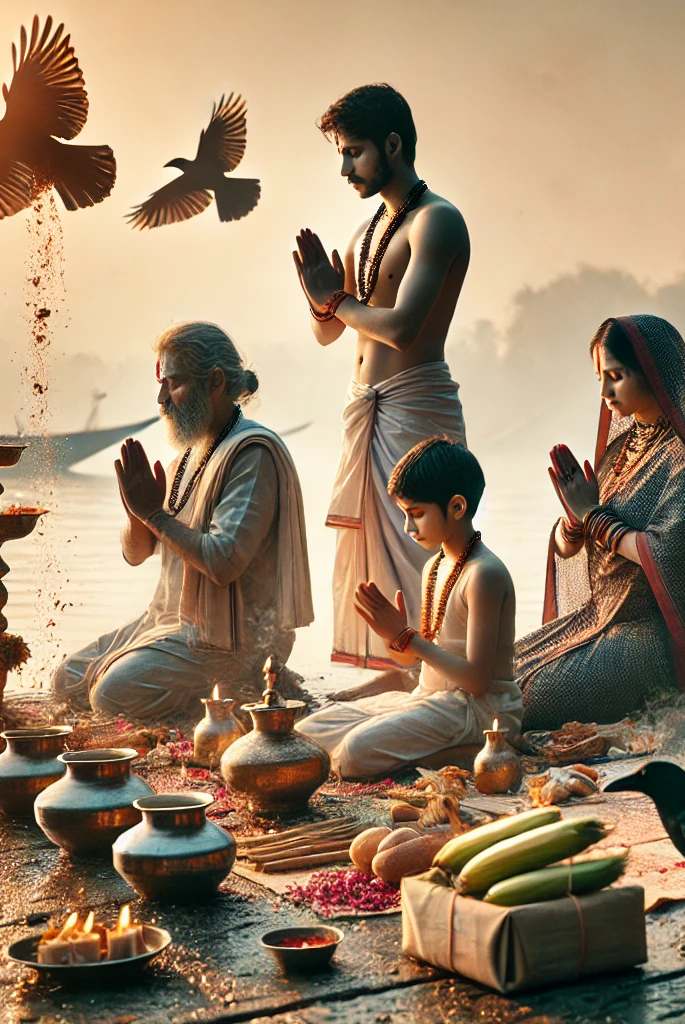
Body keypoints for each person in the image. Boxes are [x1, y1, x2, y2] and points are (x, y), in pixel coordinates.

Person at [291, 83, 470, 674]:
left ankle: (444, 678)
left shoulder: (437, 221)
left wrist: (335, 298)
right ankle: (391, 678)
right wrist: (320, 299)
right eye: (341, 153)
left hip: (416, 406)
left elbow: (403, 328)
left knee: (426, 543)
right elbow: (330, 333)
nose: (344, 168)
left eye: (355, 152)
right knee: (373, 550)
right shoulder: (364, 232)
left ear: (394, 144)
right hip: (366, 409)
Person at [52, 322, 314, 724]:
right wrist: (139, 515)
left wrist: (155, 516)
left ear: (214, 382)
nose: (161, 400)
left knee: (109, 694)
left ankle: (223, 702)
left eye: (172, 383)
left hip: (229, 640)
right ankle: (200, 699)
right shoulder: (188, 457)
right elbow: (136, 554)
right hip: (167, 625)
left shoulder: (251, 452)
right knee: (66, 680)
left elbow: (223, 560)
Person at [515, 315, 685, 731]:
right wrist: (574, 522)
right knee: (497, 673)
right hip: (599, 616)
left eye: (616, 376)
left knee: (529, 695)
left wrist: (594, 517)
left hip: (655, 639)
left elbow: (668, 554)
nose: (604, 392)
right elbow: (576, 543)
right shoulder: (621, 449)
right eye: (600, 378)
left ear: (654, 372)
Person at [296, 437, 521, 779]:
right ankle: (438, 749)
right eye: (405, 514)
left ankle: (468, 752)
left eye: (417, 514)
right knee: (305, 735)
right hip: (429, 698)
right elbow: (413, 662)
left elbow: (476, 680)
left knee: (355, 753)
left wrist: (407, 636)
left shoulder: (484, 574)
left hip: (478, 710)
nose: (408, 527)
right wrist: (395, 639)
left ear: (457, 507)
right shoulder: (435, 566)